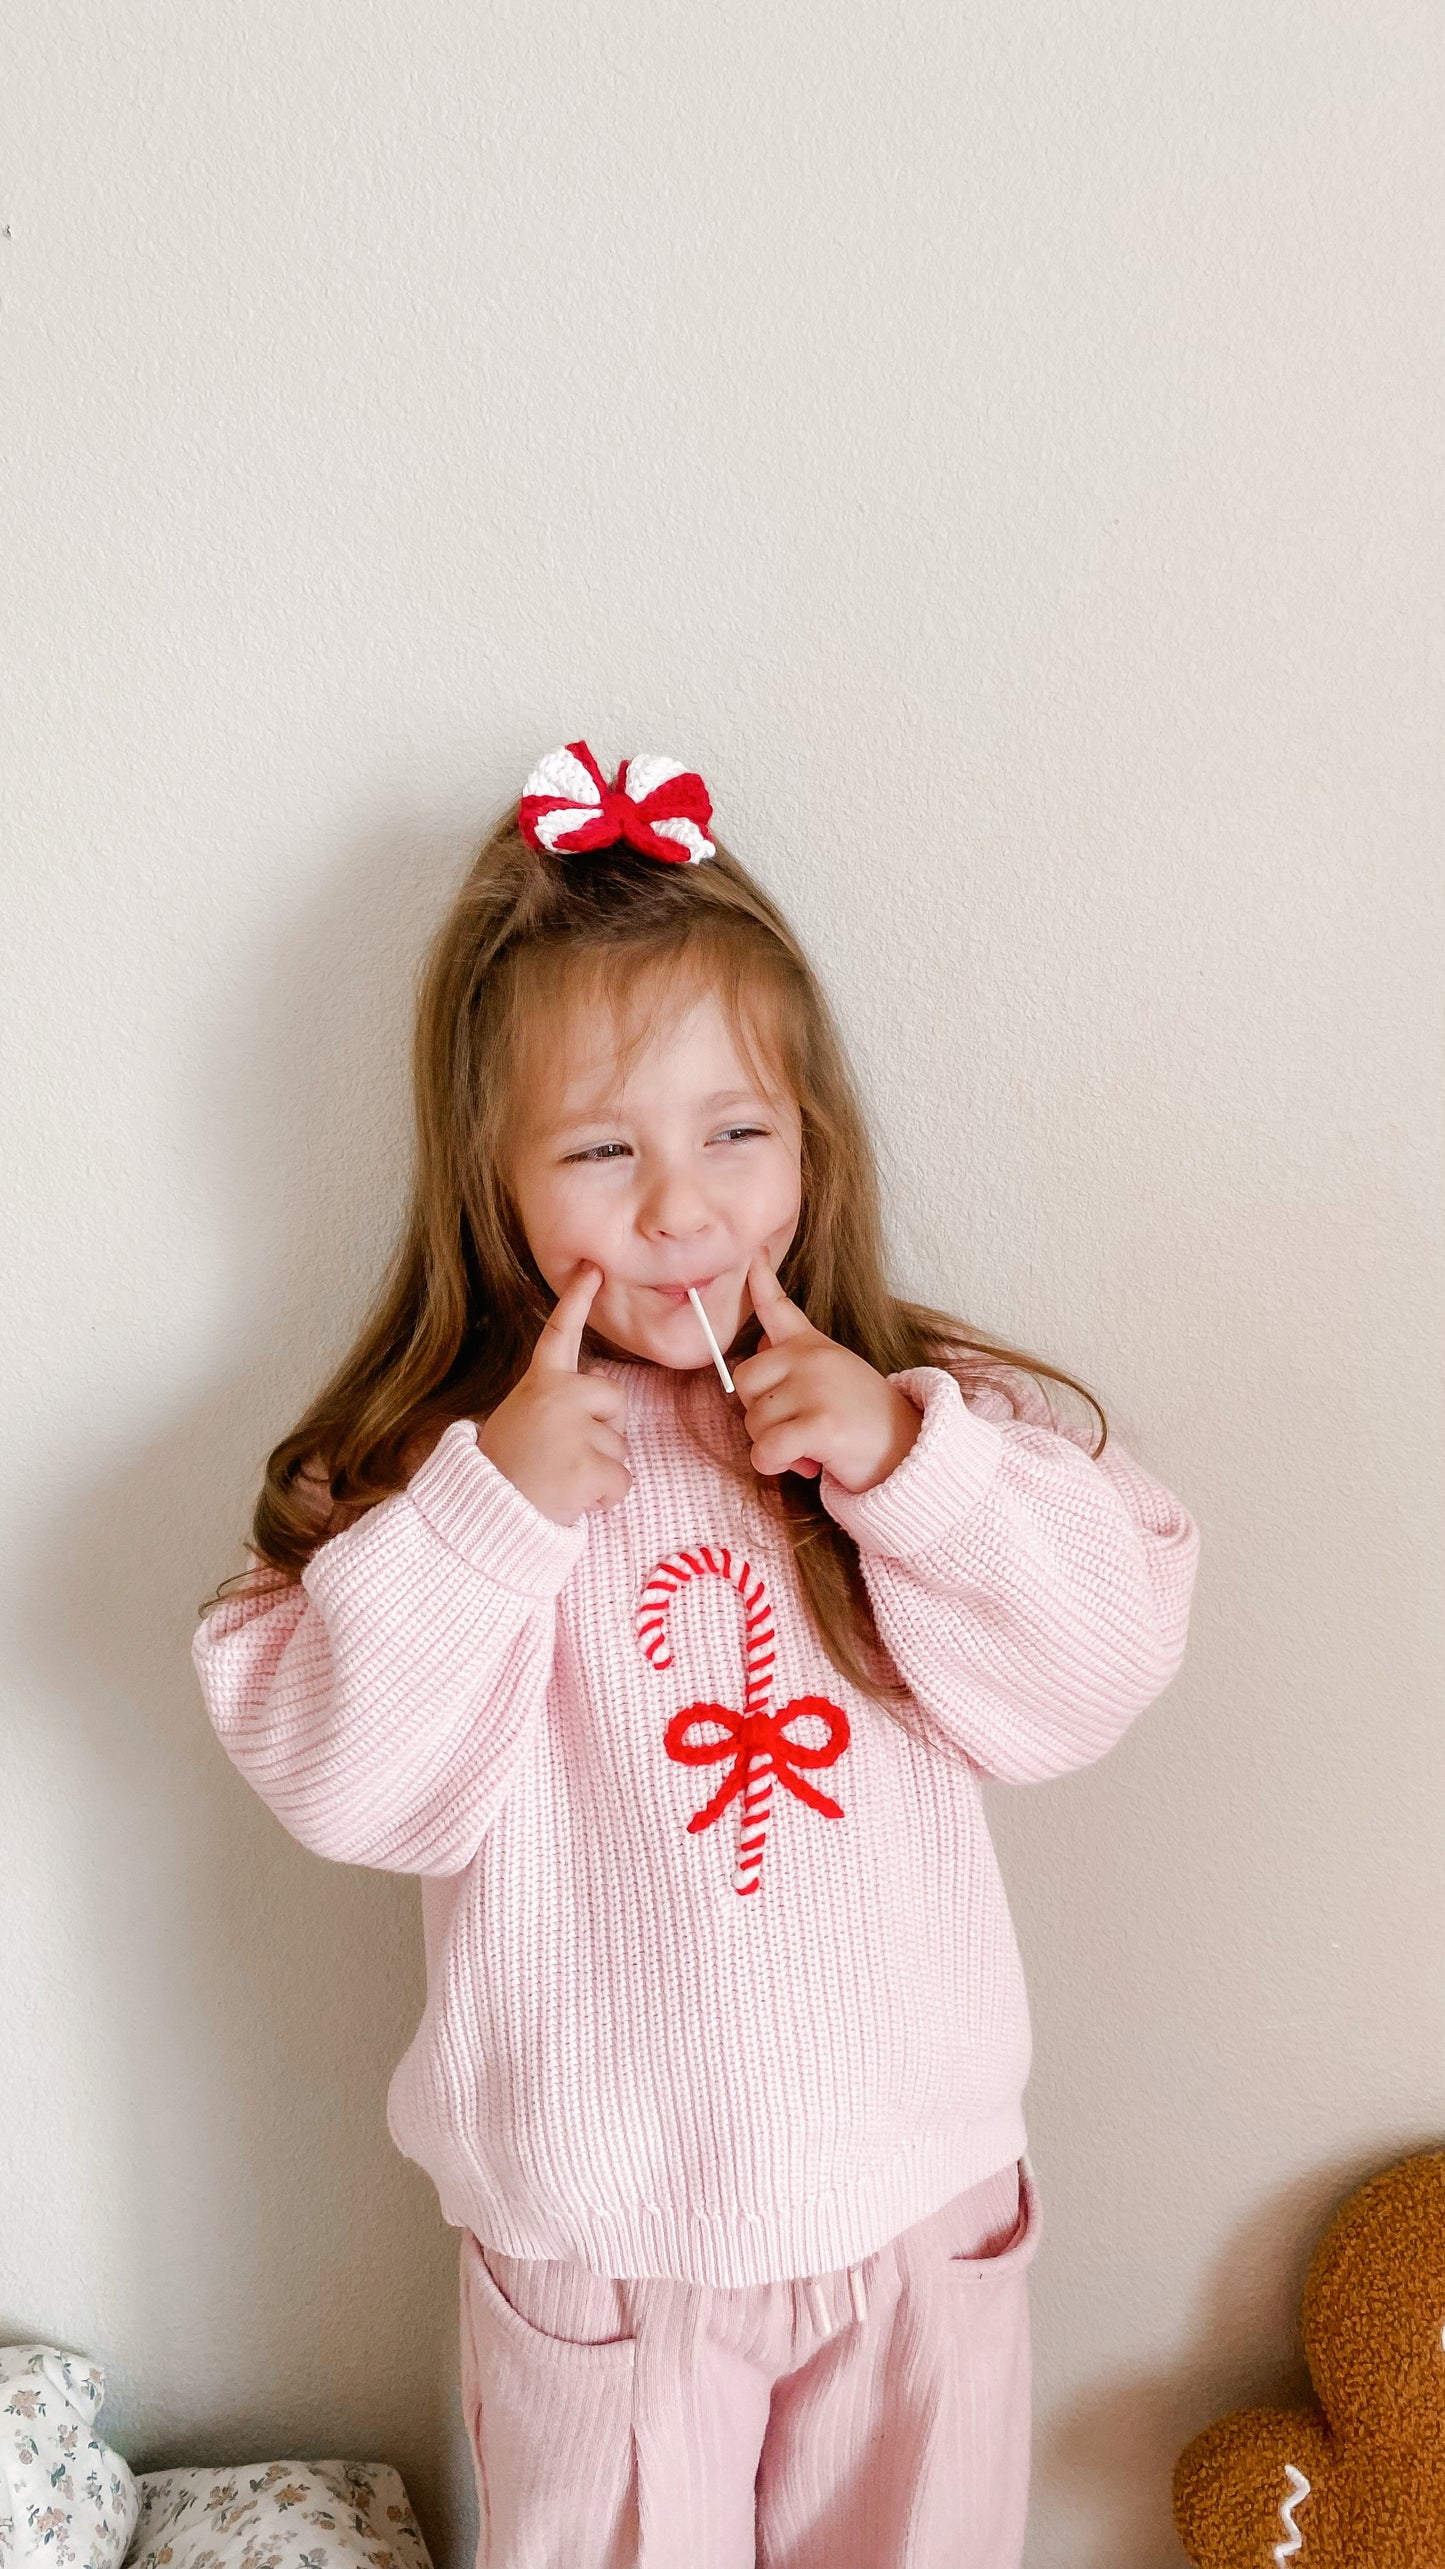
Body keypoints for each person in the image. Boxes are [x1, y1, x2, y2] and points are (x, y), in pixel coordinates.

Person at [192, 738, 1200, 2569]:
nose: (682, 1203)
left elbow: (1099, 1665)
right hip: (616, 2252)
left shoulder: (922, 1425)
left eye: (737, 1130)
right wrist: (496, 1512)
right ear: (489, 1181)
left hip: (915, 2217)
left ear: (811, 1131)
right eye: (603, 1149)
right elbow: (351, 1779)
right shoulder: (449, 1481)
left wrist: (911, 1469)